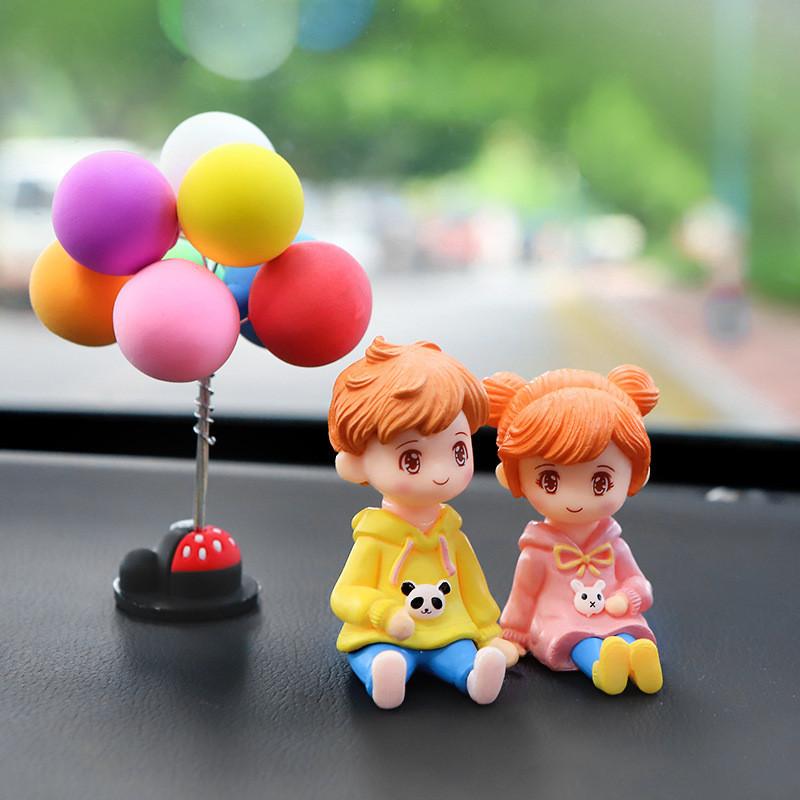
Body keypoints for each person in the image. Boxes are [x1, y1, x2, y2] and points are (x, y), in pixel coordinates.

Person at [328, 337, 518, 709]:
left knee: (460, 654)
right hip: (386, 633)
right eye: (412, 459)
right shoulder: (376, 539)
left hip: (449, 630)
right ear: (356, 463)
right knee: (379, 654)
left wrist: (488, 634)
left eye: (458, 451)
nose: (441, 473)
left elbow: (474, 590)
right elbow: (345, 595)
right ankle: (384, 674)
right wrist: (382, 612)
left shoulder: (451, 535)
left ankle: (474, 677)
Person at [485, 365, 663, 695]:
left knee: (626, 634)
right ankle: (601, 668)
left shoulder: (613, 545)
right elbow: (523, 597)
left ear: (637, 475)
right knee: (581, 643)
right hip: (560, 620)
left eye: (600, 481)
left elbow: (640, 585)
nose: (575, 500)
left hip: (613, 615)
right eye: (550, 481)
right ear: (512, 477)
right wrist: (512, 634)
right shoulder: (538, 551)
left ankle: (637, 662)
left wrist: (628, 598)